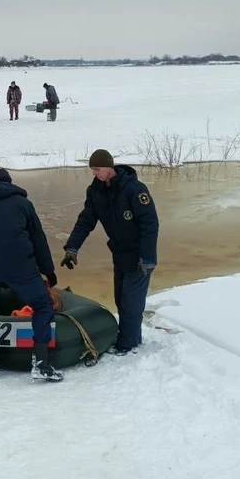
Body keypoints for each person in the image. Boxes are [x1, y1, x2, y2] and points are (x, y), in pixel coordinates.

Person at [0, 168, 63, 382]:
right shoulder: (24, 205)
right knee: (43, 305)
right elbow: (38, 240)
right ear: (10, 183)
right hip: (20, 266)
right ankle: (41, 363)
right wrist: (48, 271)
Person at [60, 150, 159, 355]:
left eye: (98, 169)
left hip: (139, 257)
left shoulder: (134, 189)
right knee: (121, 299)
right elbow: (86, 220)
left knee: (131, 303)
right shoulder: (96, 191)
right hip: (119, 253)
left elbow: (150, 223)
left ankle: (129, 345)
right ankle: (127, 338)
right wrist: (72, 248)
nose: (95, 173)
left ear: (109, 167)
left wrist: (148, 258)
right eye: (92, 169)